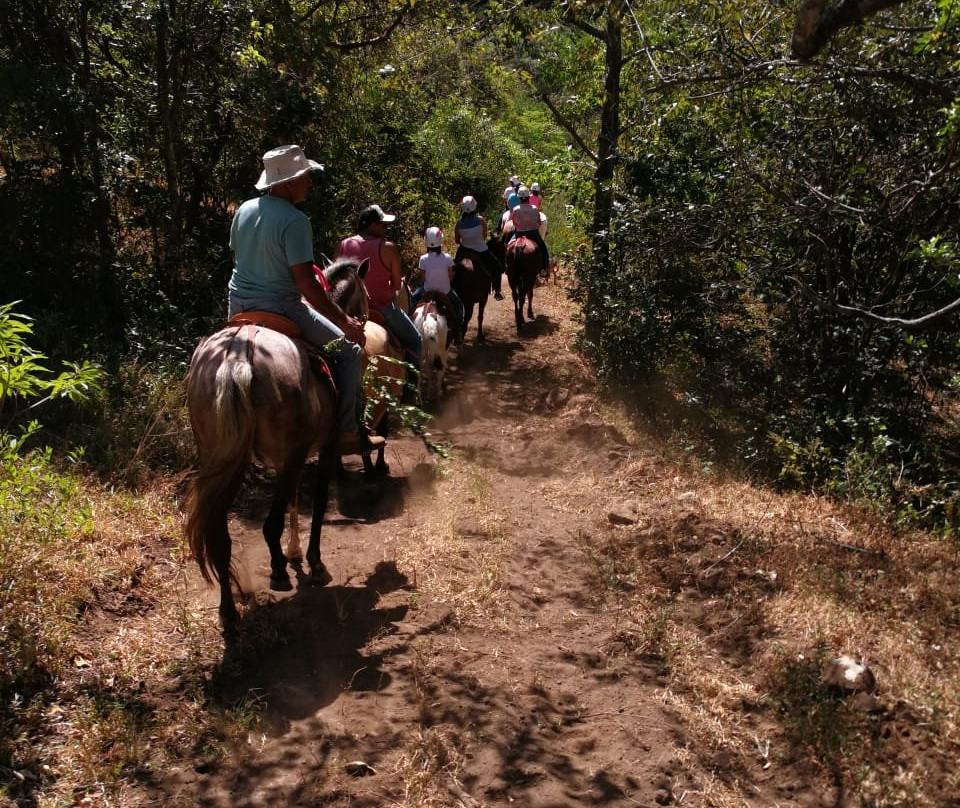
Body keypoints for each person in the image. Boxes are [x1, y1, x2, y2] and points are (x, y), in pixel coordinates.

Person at [227, 144, 383, 457]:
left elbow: (237, 257)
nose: (309, 182)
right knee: (350, 351)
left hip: (238, 305)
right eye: (304, 176)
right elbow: (307, 285)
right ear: (286, 183)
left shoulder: (243, 209)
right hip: (283, 307)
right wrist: (344, 320)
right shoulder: (296, 221)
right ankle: (348, 431)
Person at [335, 204, 422, 369]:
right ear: (373, 226)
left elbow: (337, 282)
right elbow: (397, 285)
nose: (386, 228)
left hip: (348, 311)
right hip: (382, 309)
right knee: (415, 340)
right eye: (383, 225)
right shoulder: (387, 247)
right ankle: (411, 390)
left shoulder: (342, 245)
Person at [411, 227, 464, 340]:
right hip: (445, 291)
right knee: (459, 307)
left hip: (427, 290)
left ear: (426, 242)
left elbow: (423, 277)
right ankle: (458, 333)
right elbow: (450, 275)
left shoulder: (423, 259)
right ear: (440, 241)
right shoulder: (448, 257)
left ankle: (410, 326)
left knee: (412, 300)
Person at [454, 195, 504, 300]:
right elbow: (484, 236)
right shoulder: (481, 220)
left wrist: (466, 241)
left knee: (453, 268)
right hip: (481, 249)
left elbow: (457, 241)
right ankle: (497, 291)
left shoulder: (458, 224)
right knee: (496, 267)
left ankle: (452, 291)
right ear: (474, 207)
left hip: (464, 250)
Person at [507, 185, 549, 272]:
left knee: (508, 245)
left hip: (519, 233)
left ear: (519, 198)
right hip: (533, 233)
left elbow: (513, 221)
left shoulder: (515, 209)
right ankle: (544, 268)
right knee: (543, 248)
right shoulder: (534, 208)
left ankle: (507, 266)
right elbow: (538, 222)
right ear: (528, 197)